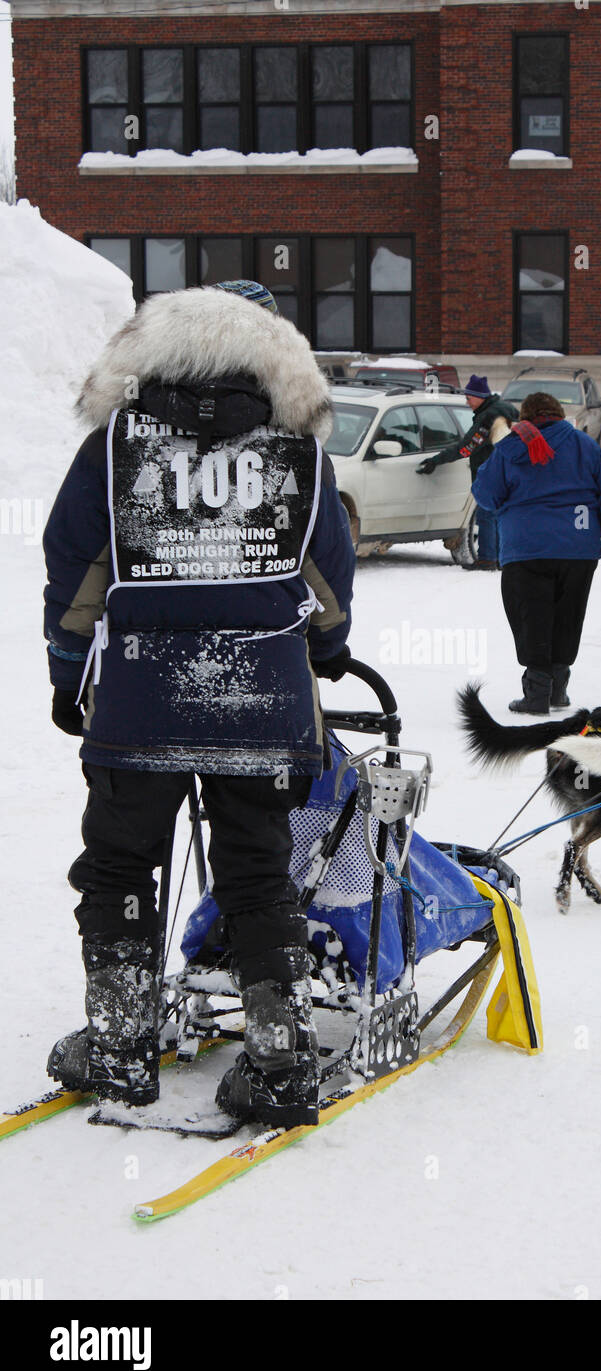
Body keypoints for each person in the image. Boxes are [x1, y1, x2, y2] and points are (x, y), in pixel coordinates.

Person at [43, 279, 356, 1129]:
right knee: (258, 871)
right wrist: (325, 654)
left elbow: (76, 568)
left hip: (141, 696)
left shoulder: (115, 448)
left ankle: (118, 1043)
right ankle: (283, 1058)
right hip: (262, 692)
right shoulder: (300, 449)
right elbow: (325, 574)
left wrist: (69, 674)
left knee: (119, 865)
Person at [472, 391, 601, 714]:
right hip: (578, 547)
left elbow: (486, 494)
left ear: (526, 417)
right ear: (558, 413)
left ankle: (537, 693)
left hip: (527, 549)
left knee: (531, 616)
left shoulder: (512, 447)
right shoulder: (584, 444)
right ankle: (558, 688)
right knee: (568, 616)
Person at [416, 373, 517, 567]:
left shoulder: (489, 418)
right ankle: (501, 558)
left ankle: (488, 558)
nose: (467, 401)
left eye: (469, 397)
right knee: (499, 516)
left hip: (492, 473)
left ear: (480, 397)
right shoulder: (506, 409)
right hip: (509, 471)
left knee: (487, 515)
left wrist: (436, 460)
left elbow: (467, 447)